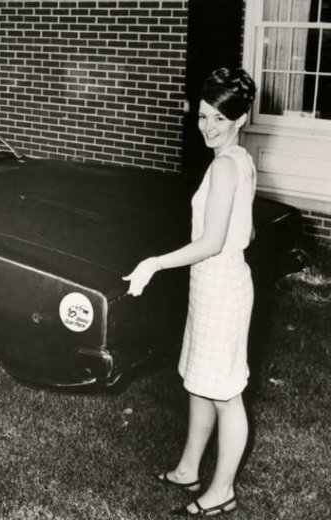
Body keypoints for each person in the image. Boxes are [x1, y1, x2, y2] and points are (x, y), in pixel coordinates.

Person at [123, 67, 257, 517]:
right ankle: (188, 470)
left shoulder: (224, 166)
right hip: (216, 283)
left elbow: (212, 242)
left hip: (222, 289)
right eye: (203, 116)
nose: (208, 127)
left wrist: (154, 263)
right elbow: (247, 232)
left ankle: (222, 491)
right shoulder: (241, 159)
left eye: (220, 118)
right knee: (200, 383)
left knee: (226, 394)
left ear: (240, 118)